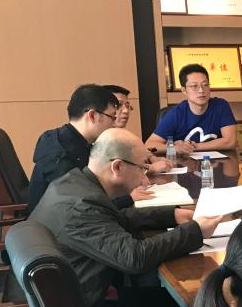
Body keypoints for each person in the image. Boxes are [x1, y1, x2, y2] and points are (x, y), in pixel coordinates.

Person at [0, 129, 223, 307]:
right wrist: (195, 231)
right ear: (117, 167)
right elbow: (135, 257)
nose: (145, 178)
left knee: (170, 302)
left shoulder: (74, 183)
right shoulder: (83, 206)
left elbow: (116, 218)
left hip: (70, 299)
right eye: (142, 168)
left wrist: (172, 215)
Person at [27, 84, 150, 212]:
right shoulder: (60, 154)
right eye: (112, 117)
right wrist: (128, 198)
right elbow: (81, 204)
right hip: (59, 221)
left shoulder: (73, 140)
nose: (114, 123)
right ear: (92, 116)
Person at [145, 64, 238, 155]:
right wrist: (173, 149)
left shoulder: (220, 106)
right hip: (185, 164)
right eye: (194, 86)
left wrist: (194, 147)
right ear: (184, 90)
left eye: (205, 85)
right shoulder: (176, 114)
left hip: (218, 163)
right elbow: (149, 148)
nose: (201, 90)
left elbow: (231, 142)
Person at [104, 84, 173, 173]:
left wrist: (152, 157)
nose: (126, 111)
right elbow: (117, 170)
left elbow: (147, 149)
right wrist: (151, 168)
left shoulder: (124, 136)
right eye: (119, 105)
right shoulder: (101, 139)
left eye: (127, 106)